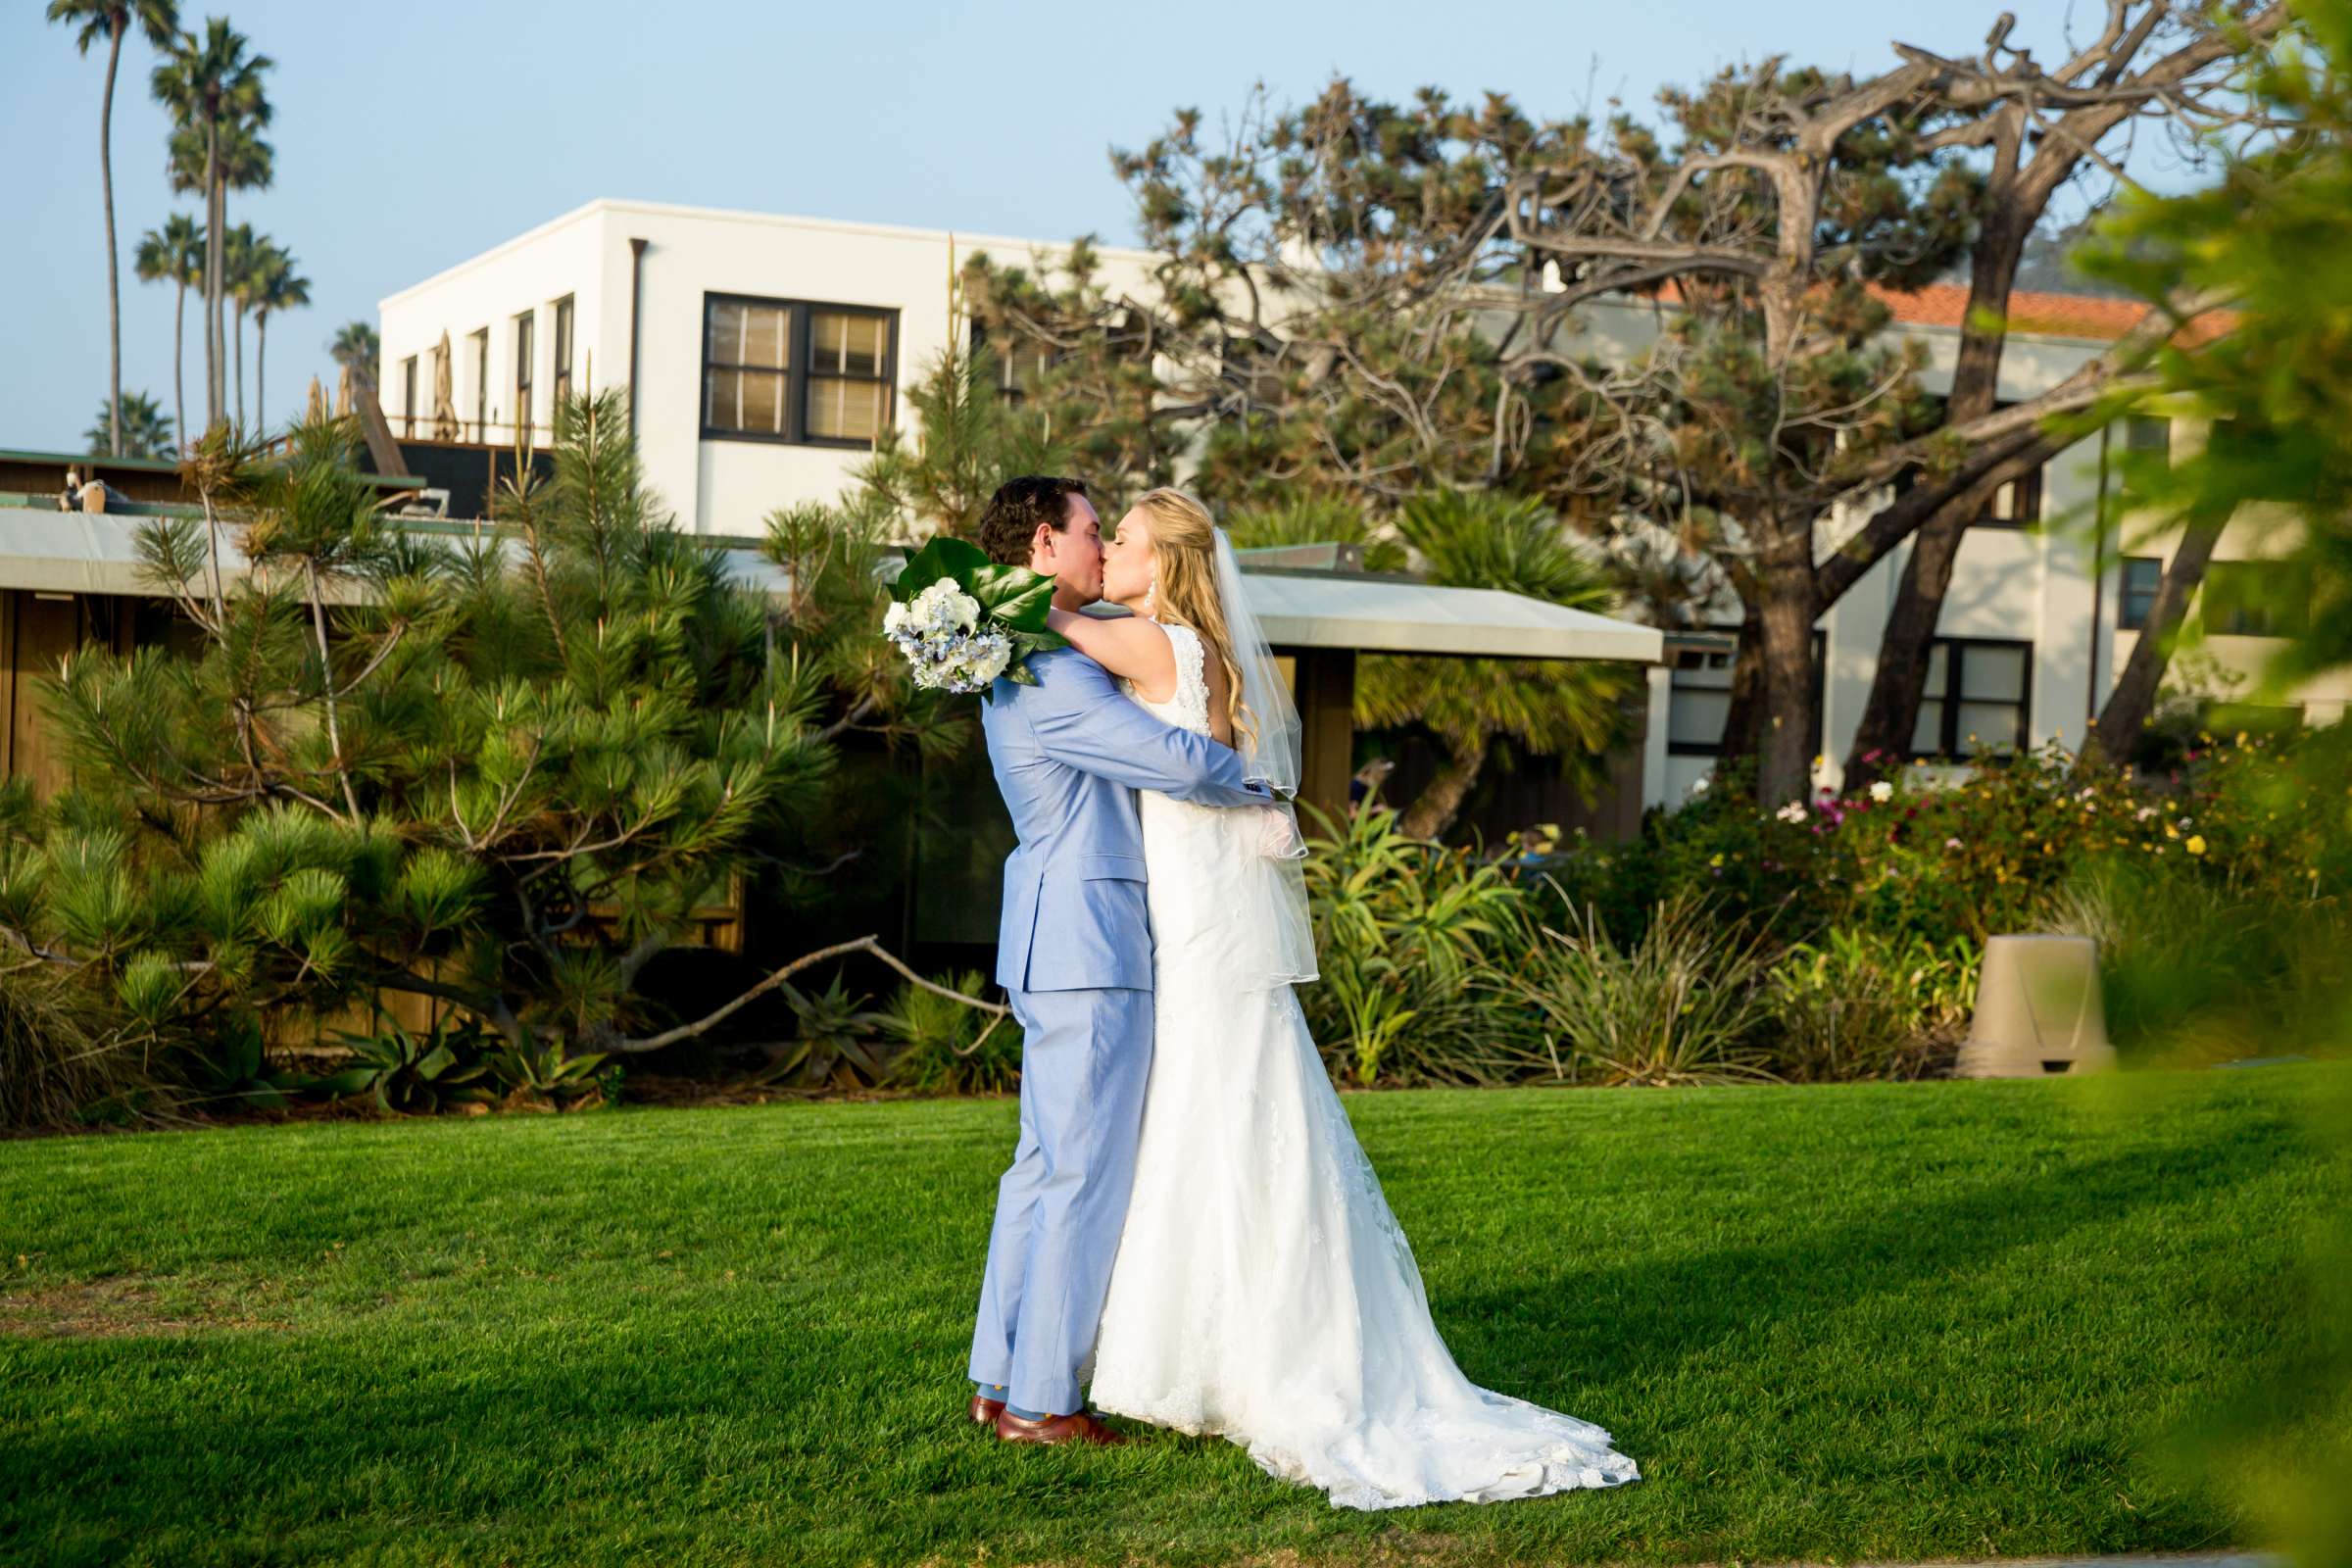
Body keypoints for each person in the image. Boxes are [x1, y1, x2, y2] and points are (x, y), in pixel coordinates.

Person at [1046, 486, 1642, 1510]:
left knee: (1209, 1106)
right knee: (1235, 1098)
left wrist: (983, 598)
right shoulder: (1216, 648)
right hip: (1212, 902)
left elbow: (1043, 617)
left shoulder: (1154, 645)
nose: (1112, 558)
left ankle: (1224, 1356)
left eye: (1127, 542)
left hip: (1194, 910)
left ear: (1168, 560)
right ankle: (1226, 1342)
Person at [963, 475, 1274, 1447]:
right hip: (1088, 944)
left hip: (1058, 935)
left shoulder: (1025, 645)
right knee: (1078, 1176)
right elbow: (1175, 761)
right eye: (1094, 532)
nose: (1104, 550)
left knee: (1040, 1169)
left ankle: (999, 1376)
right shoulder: (1047, 671)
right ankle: (1043, 1400)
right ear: (1046, 545)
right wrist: (1260, 783)